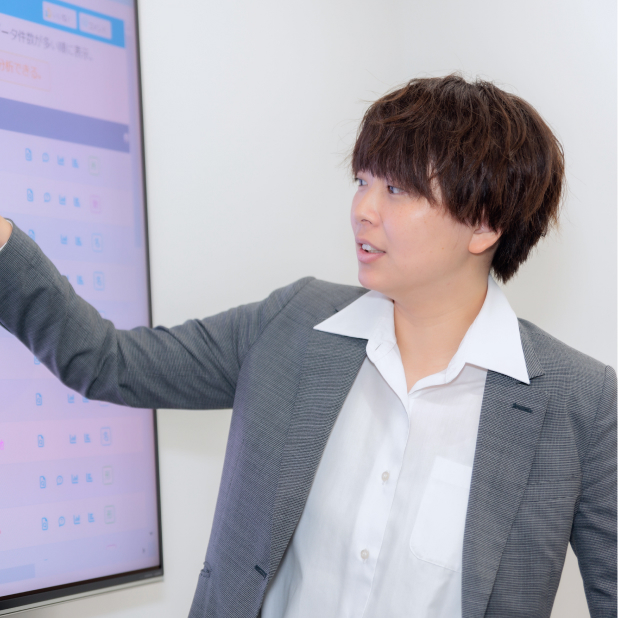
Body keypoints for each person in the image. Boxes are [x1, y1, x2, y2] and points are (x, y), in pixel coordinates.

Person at [0, 75, 615, 618]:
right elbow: (106, 362)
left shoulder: (581, 403)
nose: (362, 209)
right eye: (362, 181)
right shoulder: (292, 324)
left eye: (396, 189)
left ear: (483, 224)